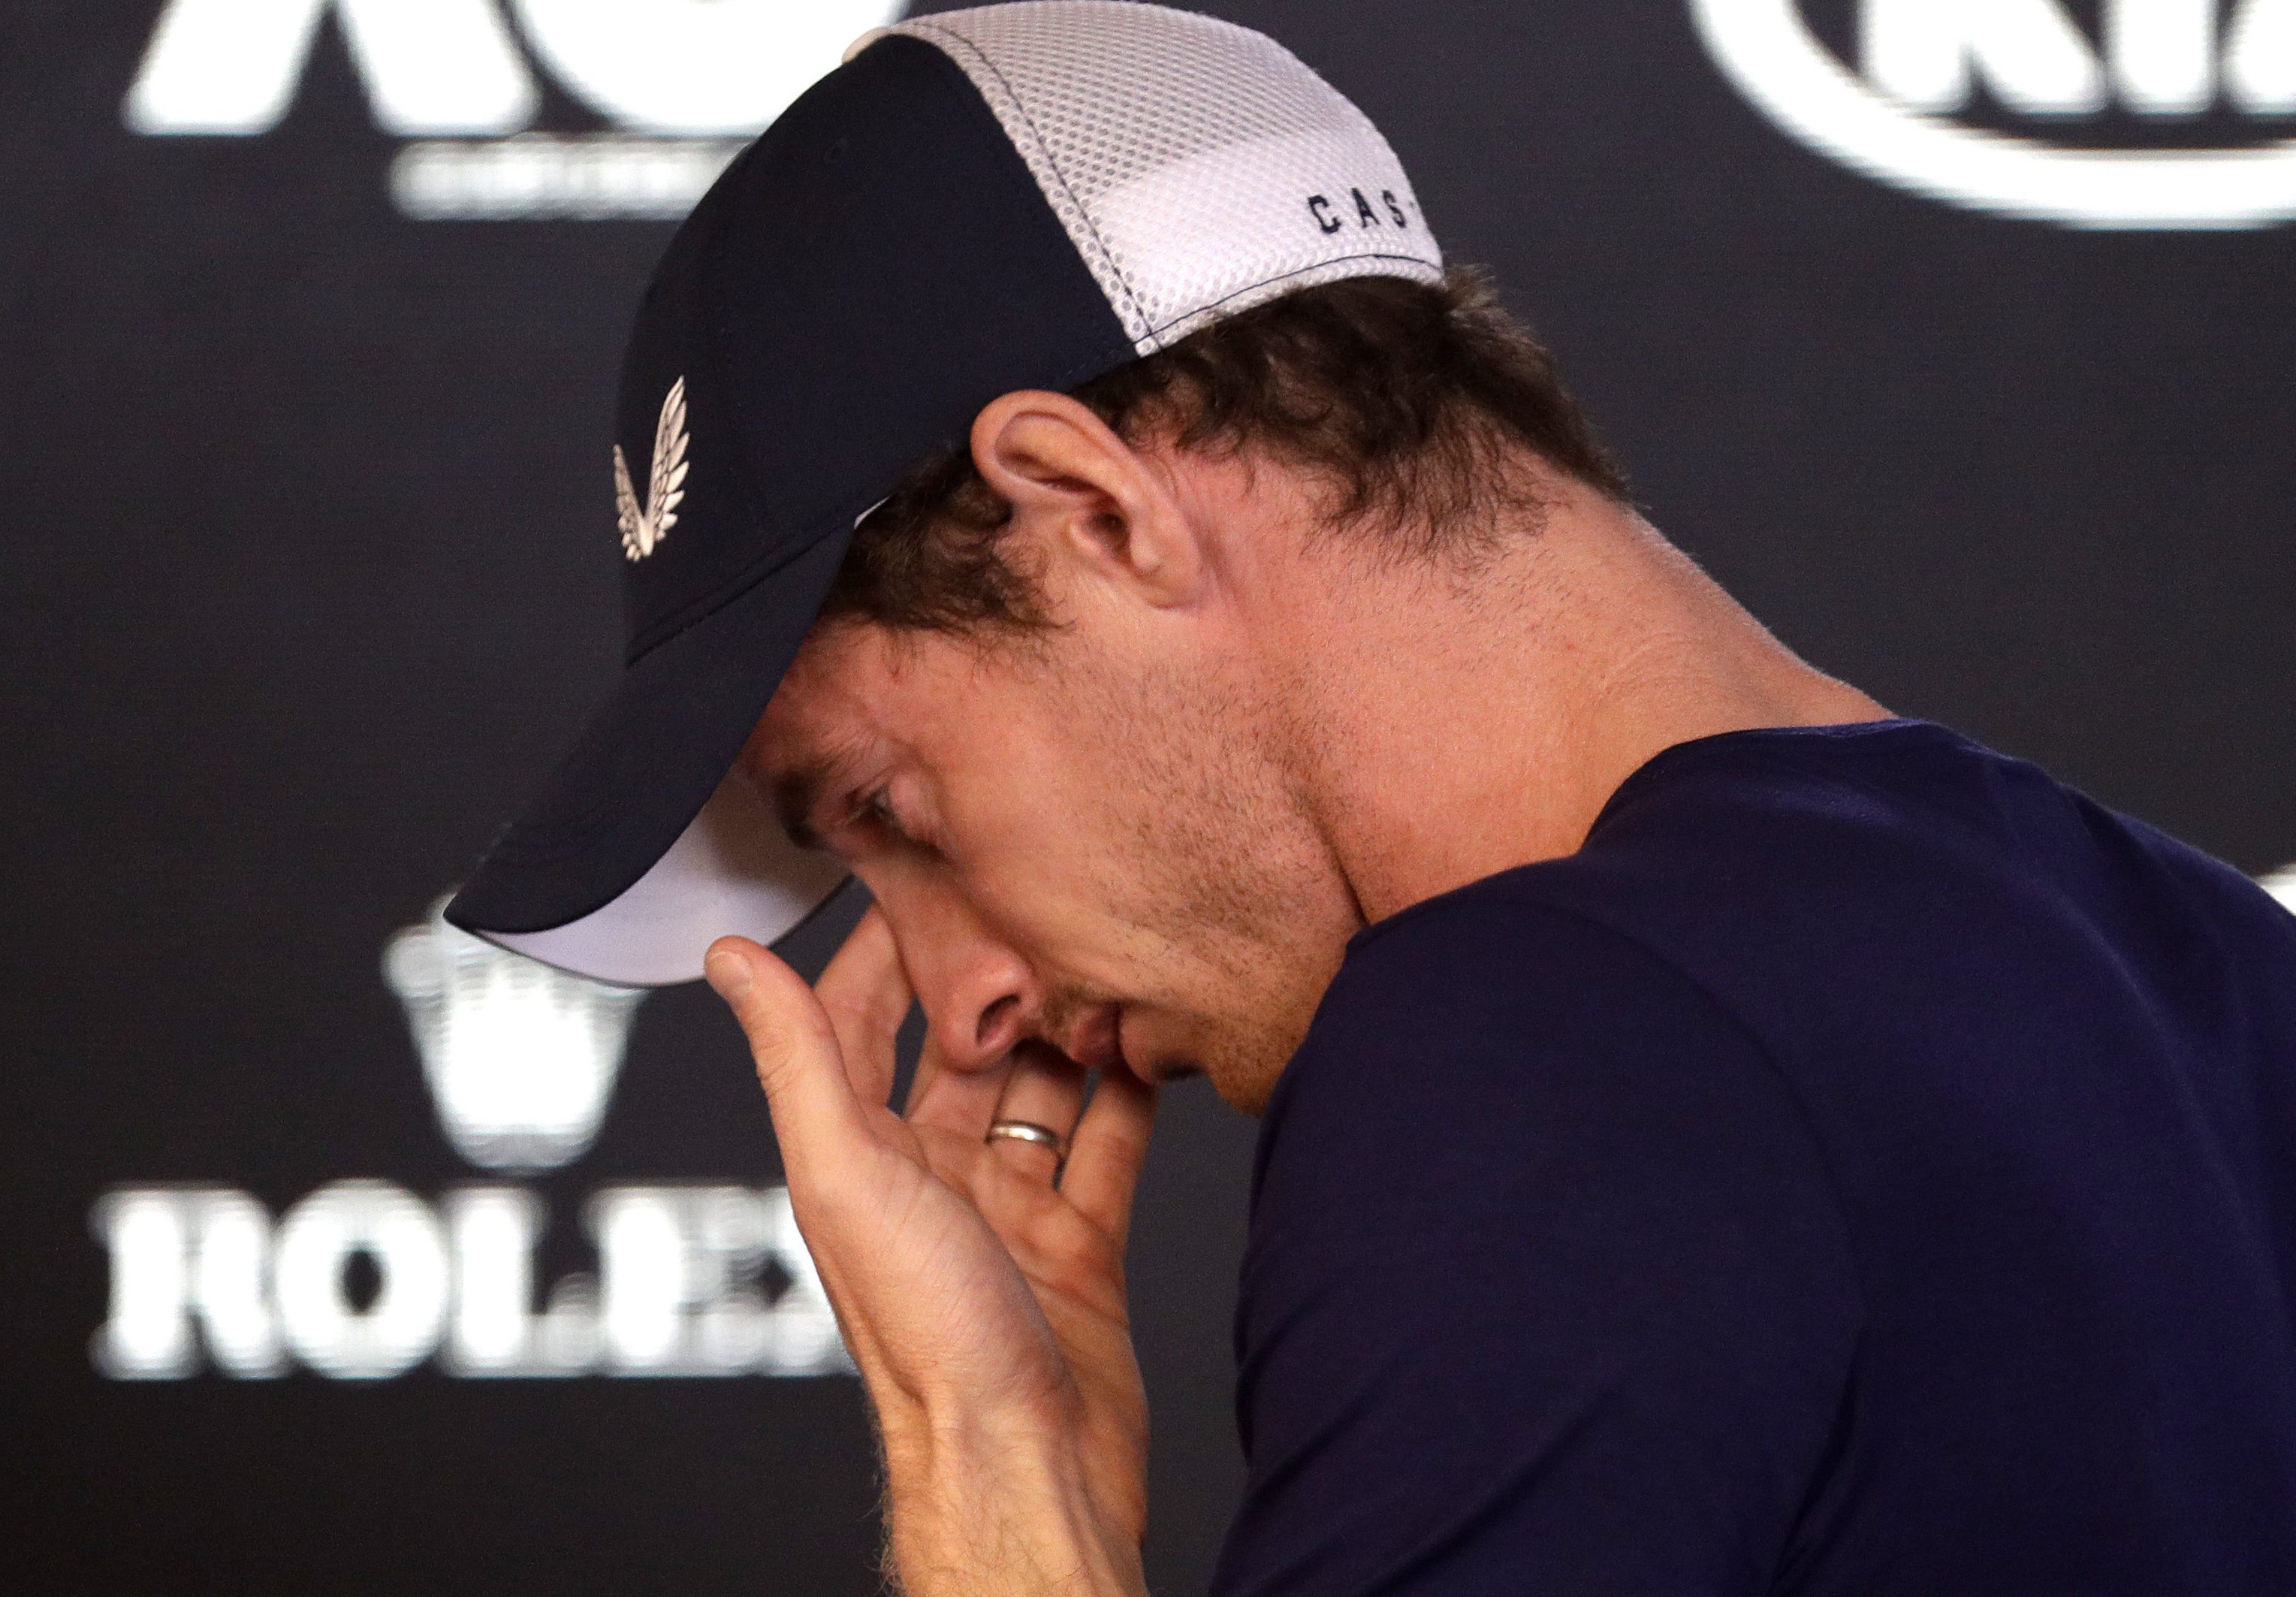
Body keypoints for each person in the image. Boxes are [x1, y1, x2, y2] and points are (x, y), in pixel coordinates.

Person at [443, 5, 2296, 1592]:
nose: (958, 1001)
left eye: (890, 810)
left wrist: (986, 1471)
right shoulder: (2208, 963)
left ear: (1092, 511)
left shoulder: (1540, 1034)